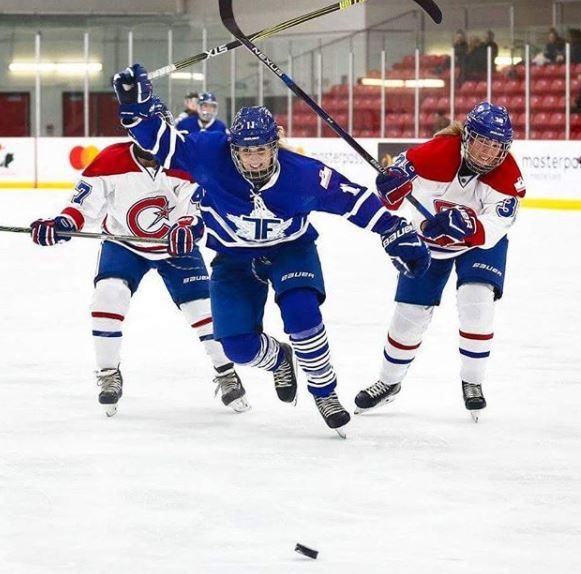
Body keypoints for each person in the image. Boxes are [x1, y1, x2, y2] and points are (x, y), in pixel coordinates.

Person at [112, 64, 431, 436]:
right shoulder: (207, 154)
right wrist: (137, 108)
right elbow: (159, 142)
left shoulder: (303, 174)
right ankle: (280, 357)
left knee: (302, 314)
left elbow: (354, 201)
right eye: (247, 152)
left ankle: (325, 393)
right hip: (233, 258)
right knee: (236, 348)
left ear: (275, 144)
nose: (257, 160)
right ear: (233, 147)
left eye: (264, 150)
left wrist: (393, 229)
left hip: (291, 251)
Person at [29, 111, 248, 417]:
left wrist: (188, 227)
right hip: (123, 243)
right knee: (108, 295)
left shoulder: (184, 159)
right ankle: (108, 373)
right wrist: (61, 224)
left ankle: (225, 371)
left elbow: (197, 206)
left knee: (202, 311)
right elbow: (82, 206)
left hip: (174, 245)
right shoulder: (109, 160)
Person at [354, 102, 525, 423]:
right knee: (409, 315)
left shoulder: (508, 176)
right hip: (430, 242)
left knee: (477, 299)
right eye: (481, 142)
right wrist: (390, 190)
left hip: (479, 244)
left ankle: (472, 380)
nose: (488, 153)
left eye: (495, 146)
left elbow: (498, 225)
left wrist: (470, 225)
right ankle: (389, 382)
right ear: (466, 137)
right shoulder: (433, 153)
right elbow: (394, 194)